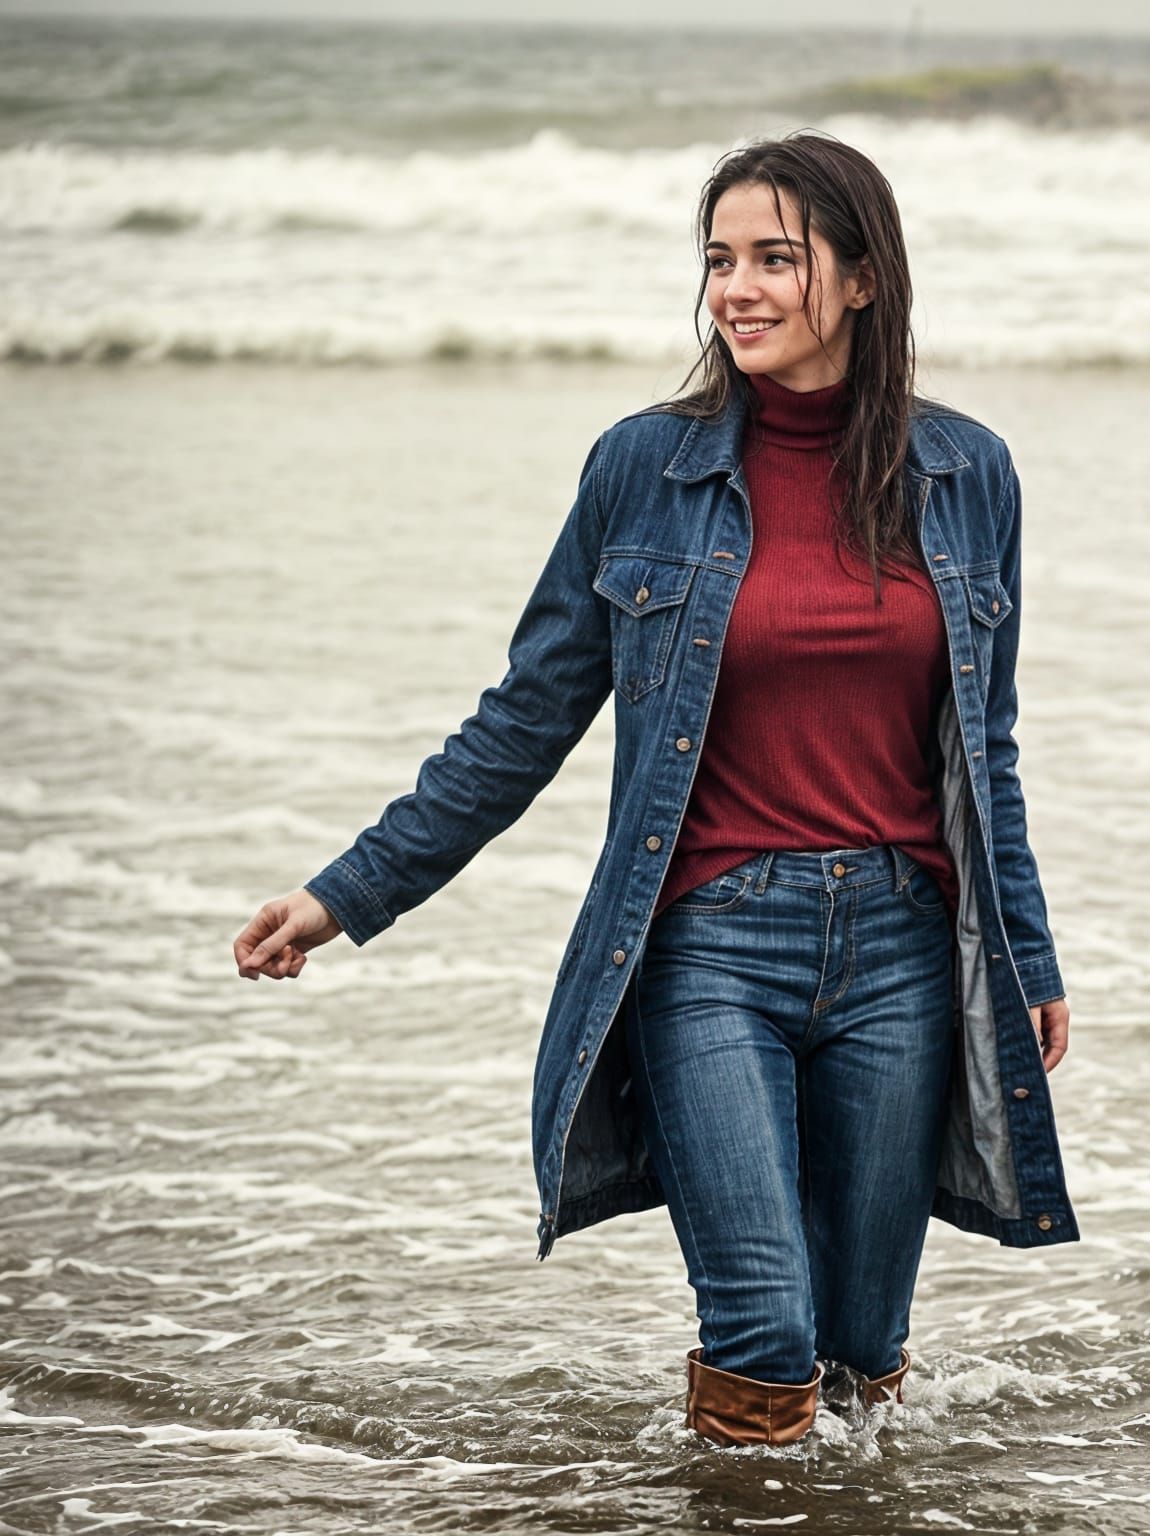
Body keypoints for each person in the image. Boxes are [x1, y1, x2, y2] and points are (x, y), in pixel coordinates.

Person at [232, 129, 1078, 1449]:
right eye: (718, 260)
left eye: (773, 259)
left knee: (860, 1352)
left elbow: (988, 748)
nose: (735, 289)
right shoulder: (645, 469)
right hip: (708, 946)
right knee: (762, 1325)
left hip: (906, 952)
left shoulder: (969, 475)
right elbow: (525, 718)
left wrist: (1024, 952)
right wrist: (346, 894)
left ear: (861, 277)